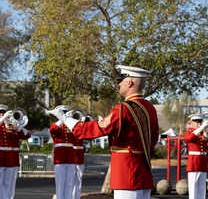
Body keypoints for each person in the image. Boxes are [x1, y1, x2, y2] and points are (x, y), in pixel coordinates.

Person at [47, 65, 159, 199]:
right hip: (143, 170)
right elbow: (153, 137)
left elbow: (92, 130)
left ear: (129, 82)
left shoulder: (123, 109)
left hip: (126, 171)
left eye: (121, 80)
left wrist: (65, 118)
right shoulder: (150, 108)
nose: (119, 84)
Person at [0, 104, 31, 199]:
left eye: (3, 113)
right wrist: (3, 119)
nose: (1, 114)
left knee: (9, 184)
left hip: (10, 158)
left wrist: (18, 127)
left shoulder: (11, 126)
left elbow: (27, 135)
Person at [49, 105, 76, 199]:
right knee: (60, 184)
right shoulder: (55, 124)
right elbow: (52, 130)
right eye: (63, 113)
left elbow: (78, 133)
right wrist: (63, 119)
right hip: (60, 157)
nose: (65, 114)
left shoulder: (71, 125)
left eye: (65, 113)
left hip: (71, 157)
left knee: (69, 183)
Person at [184, 113, 208, 199]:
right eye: (197, 121)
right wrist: (201, 128)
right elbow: (189, 138)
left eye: (200, 121)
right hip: (193, 163)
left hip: (202, 163)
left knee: (202, 188)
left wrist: (204, 130)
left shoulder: (203, 134)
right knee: (193, 187)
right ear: (192, 123)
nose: (199, 123)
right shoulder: (189, 133)